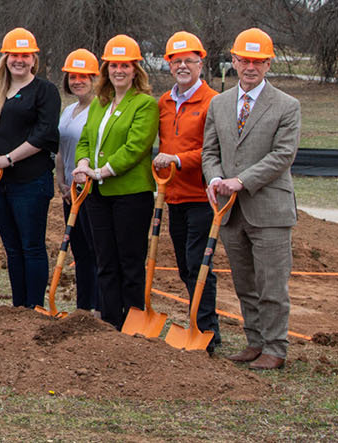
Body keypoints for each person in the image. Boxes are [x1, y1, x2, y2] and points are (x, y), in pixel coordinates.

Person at [203, 28, 301, 370]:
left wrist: (241, 181)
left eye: (258, 61)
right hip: (230, 211)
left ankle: (275, 347)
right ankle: (255, 341)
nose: (250, 67)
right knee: (245, 282)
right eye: (244, 60)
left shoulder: (287, 105)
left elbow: (283, 155)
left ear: (269, 64)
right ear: (233, 60)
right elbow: (209, 151)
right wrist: (215, 178)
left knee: (271, 284)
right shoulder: (219, 104)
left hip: (270, 210)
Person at [71, 35, 159, 330]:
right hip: (98, 195)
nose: (119, 71)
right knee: (105, 260)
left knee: (130, 262)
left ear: (135, 70)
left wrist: (102, 171)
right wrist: (83, 164)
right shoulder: (99, 104)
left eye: (125, 65)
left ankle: (132, 324)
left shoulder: (144, 104)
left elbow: (136, 148)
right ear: (106, 69)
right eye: (113, 65)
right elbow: (85, 139)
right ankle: (110, 323)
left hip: (130, 194)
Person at [0, 28, 60, 308]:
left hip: (31, 181)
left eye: (25, 55)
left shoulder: (45, 91)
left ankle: (34, 307)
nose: (19, 60)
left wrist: (8, 159)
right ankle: (19, 308)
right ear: (5, 57)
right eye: (14, 55)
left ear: (34, 59)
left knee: (31, 246)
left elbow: (44, 134)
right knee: (12, 248)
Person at [157, 31, 222, 352]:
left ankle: (207, 330)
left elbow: (212, 149)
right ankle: (198, 322)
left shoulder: (213, 102)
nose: (183, 66)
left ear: (201, 64)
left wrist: (177, 159)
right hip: (173, 196)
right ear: (169, 65)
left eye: (189, 61)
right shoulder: (164, 103)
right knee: (184, 265)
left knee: (198, 264)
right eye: (177, 61)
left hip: (202, 197)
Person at [55, 49, 102, 314]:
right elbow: (61, 150)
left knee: (95, 250)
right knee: (80, 251)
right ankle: (83, 308)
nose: (77, 81)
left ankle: (98, 307)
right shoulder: (69, 110)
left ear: (95, 78)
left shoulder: (101, 109)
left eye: (84, 76)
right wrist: (61, 182)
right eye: (73, 76)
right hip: (70, 191)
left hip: (91, 189)